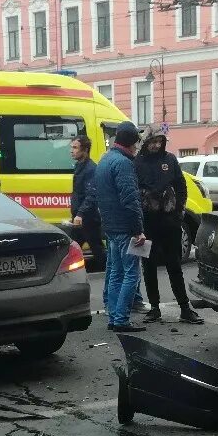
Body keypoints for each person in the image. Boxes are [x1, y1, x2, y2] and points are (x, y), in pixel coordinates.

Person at [135, 132, 203, 325]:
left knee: (174, 265)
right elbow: (133, 191)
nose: (156, 145)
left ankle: (184, 308)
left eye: (159, 142)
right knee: (148, 267)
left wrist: (179, 210)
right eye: (153, 142)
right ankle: (154, 308)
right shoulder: (137, 163)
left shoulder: (170, 159)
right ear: (146, 142)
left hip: (169, 222)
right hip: (146, 224)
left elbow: (181, 185)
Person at [91, 122, 148, 333]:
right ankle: (122, 319)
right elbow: (130, 200)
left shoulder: (104, 160)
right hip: (125, 228)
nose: (136, 148)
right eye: (136, 143)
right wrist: (138, 230)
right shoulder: (123, 164)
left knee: (115, 272)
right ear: (132, 143)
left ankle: (114, 315)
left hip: (111, 227)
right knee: (131, 274)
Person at [69, 134, 104, 264]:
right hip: (80, 218)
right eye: (71, 147)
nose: (71, 150)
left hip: (88, 219)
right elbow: (78, 193)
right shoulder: (79, 165)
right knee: (72, 248)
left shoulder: (90, 169)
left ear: (84, 150)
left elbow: (91, 195)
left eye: (75, 147)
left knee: (97, 249)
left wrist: (80, 214)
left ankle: (109, 273)